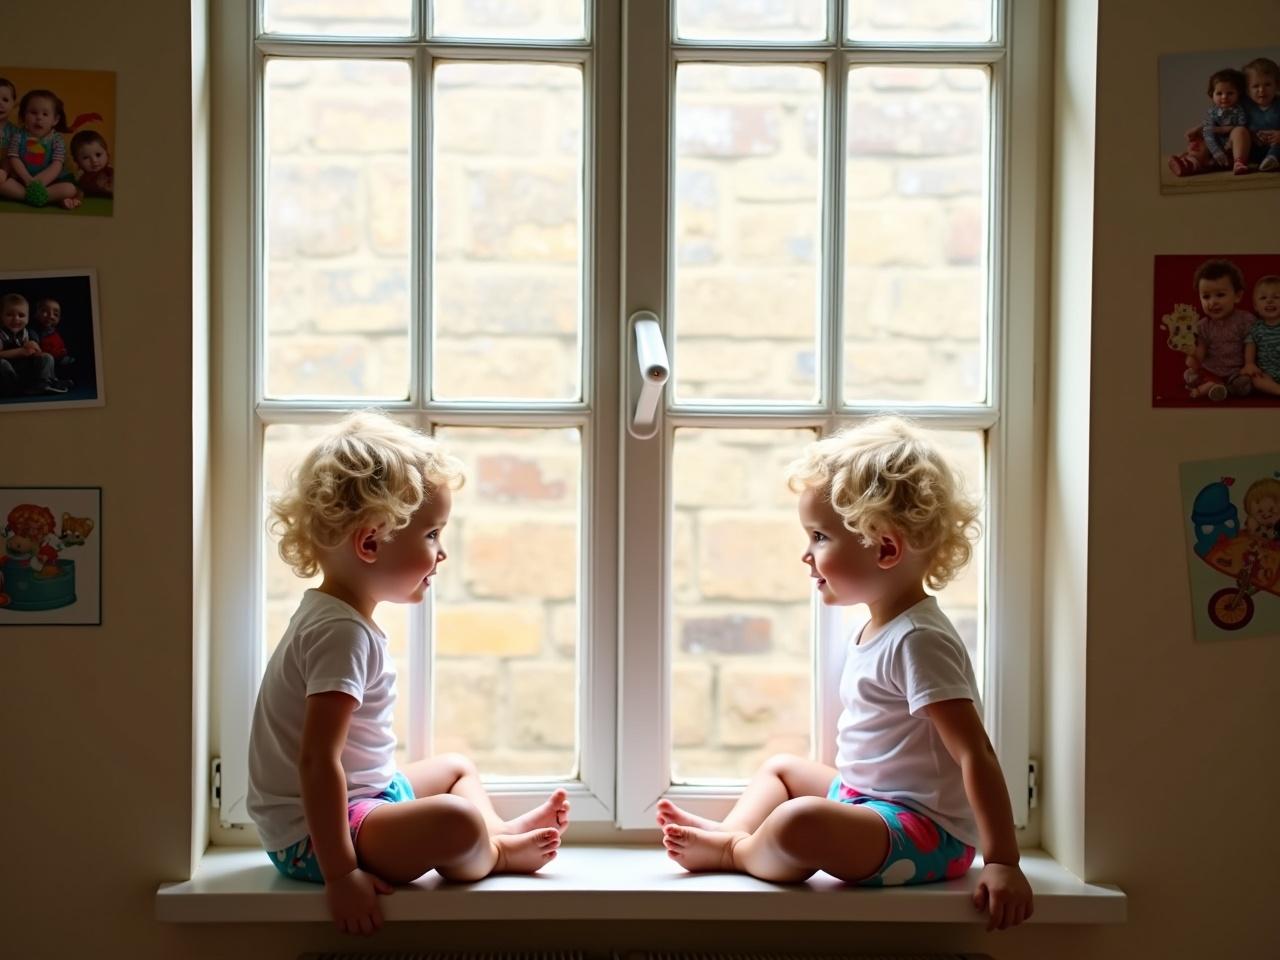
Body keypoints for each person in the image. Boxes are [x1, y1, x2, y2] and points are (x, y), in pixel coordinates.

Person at [657, 417, 1034, 931]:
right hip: (868, 801)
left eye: (820, 536)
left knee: (800, 821)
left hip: (924, 831)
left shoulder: (918, 640)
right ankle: (733, 834)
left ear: (884, 548)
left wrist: (1002, 862)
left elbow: (975, 753)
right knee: (784, 769)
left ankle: (736, 855)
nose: (806, 554)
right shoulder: (880, 627)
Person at [247, 411, 569, 936]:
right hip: (316, 835)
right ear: (370, 542)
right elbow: (316, 762)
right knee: (454, 818)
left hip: (362, 802)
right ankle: (492, 853)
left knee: (456, 768)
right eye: (432, 533)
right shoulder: (340, 634)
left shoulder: (337, 617)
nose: (441, 554)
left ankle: (495, 833)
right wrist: (342, 873)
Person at [0, 89, 81, 209]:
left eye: (45, 114)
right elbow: (13, 158)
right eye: (33, 112)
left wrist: (37, 183)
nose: (39, 118)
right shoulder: (18, 136)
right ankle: (35, 197)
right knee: (2, 185)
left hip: (50, 182)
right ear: (23, 116)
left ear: (55, 120)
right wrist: (28, 180)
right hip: (23, 180)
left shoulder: (56, 139)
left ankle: (38, 195)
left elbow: (57, 164)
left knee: (70, 189)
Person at [1185, 259, 1254, 400]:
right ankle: (1214, 386)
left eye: (1220, 295)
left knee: (1244, 384)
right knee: (1190, 374)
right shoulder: (1203, 325)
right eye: (1206, 296)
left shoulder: (1244, 320)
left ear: (1238, 296)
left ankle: (1215, 388)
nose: (1212, 302)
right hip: (1210, 371)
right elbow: (1199, 357)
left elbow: (1250, 343)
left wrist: (1249, 364)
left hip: (1235, 372)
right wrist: (1190, 352)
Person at [1168, 68, 1249, 176]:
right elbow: (1207, 126)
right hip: (1215, 146)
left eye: (1230, 93)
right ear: (1212, 95)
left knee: (1240, 131)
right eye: (1219, 93)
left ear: (1238, 94)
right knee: (1197, 141)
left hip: (1231, 145)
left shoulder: (1239, 110)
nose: (1224, 97)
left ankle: (1239, 162)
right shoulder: (1213, 111)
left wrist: (1221, 129)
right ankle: (1190, 163)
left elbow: (1242, 124)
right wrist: (1197, 129)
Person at [0, 293, 68, 396]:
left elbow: (34, 352)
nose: (16, 319)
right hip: (9, 375)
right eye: (9, 315)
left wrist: (34, 349)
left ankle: (44, 383)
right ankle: (12, 389)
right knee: (2, 364)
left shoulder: (27, 333)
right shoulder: (2, 334)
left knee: (46, 357)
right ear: (1, 317)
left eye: (21, 315)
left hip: (25, 372)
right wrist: (19, 352)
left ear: (27, 319)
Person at [1241, 274, 1280, 396]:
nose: (1269, 300)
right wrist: (1249, 364)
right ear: (1256, 307)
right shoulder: (1256, 328)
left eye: (1277, 297)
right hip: (1267, 374)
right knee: (1257, 381)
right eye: (1263, 298)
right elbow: (1250, 346)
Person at [1242, 57, 1280, 173]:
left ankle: (1271, 159)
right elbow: (1223, 121)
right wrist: (1250, 135)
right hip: (1254, 148)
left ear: (1277, 86)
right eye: (1255, 86)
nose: (1262, 90)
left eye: (1267, 84)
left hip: (1276, 147)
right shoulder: (1245, 107)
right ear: (1247, 90)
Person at [69, 129, 113, 197]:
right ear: (77, 161)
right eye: (86, 157)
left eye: (98, 155)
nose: (94, 160)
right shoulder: (80, 178)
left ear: (107, 154)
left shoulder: (110, 172)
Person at [34, 297, 73, 367]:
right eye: (45, 311)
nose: (51, 316)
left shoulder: (57, 332)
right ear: (36, 314)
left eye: (55, 314)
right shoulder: (35, 333)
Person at [0, 78, 17, 187]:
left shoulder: (15, 132)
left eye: (5, 100)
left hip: (6, 173)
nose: (0, 103)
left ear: (13, 104)